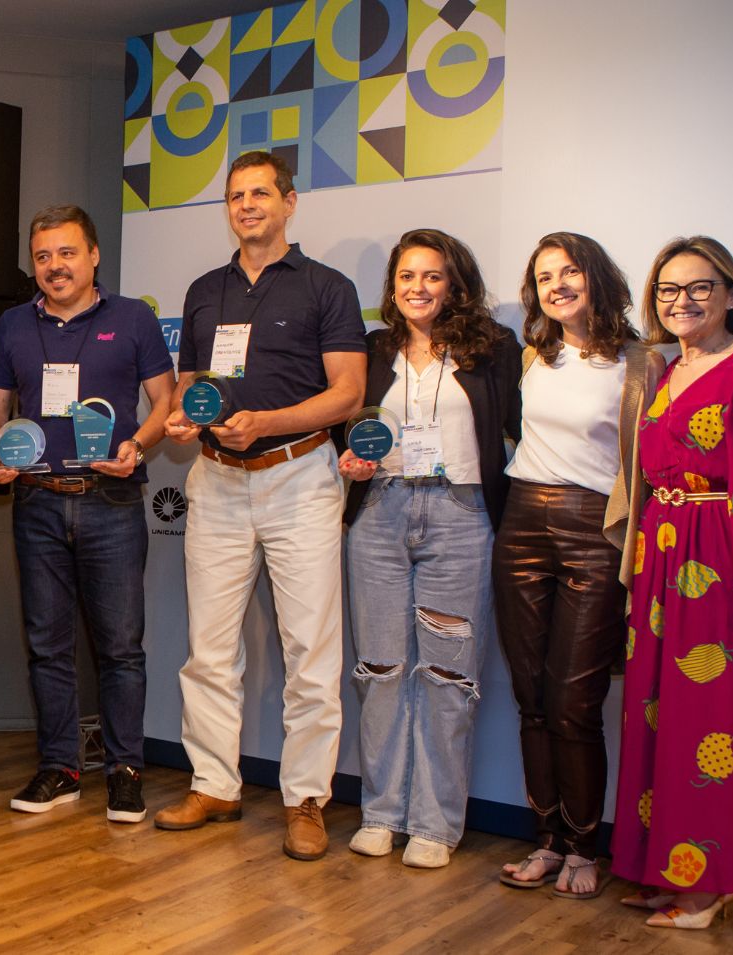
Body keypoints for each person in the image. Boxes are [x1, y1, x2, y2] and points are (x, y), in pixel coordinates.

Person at [155, 151, 364, 861]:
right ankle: (214, 783)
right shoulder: (203, 289)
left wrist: (268, 422)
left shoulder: (326, 287)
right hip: (214, 479)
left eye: (261, 194)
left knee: (309, 651)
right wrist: (185, 418)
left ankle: (305, 798)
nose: (248, 206)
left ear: (290, 202)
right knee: (210, 649)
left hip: (298, 476)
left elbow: (347, 395)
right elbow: (192, 386)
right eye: (236, 196)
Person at [610, 236, 733, 929]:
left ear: (730, 293)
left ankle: (707, 886)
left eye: (699, 287)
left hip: (725, 564)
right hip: (665, 561)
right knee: (661, 714)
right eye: (668, 289)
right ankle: (673, 869)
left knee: (712, 724)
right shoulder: (669, 368)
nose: (682, 301)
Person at [0, 204, 175, 825]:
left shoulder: (134, 318)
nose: (55, 266)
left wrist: (138, 446)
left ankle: (124, 771)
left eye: (67, 253)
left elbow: (166, 401)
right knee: (47, 646)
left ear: (93, 256)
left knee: (121, 648)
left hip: (112, 502)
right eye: (43, 256)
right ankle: (60, 768)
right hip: (37, 502)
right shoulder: (11, 325)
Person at [333, 229, 520, 868]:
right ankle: (382, 814)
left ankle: (436, 824)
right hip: (380, 516)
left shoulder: (494, 349)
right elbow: (349, 433)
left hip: (460, 517)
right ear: (393, 287)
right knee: (380, 672)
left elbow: (520, 432)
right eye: (406, 277)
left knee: (446, 676)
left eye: (432, 276)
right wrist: (351, 461)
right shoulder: (374, 349)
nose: (417, 288)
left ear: (455, 283)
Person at [493, 233, 662, 899]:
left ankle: (587, 848)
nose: (556, 284)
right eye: (543, 275)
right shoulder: (534, 355)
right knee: (531, 697)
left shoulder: (639, 362)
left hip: (596, 531)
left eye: (569, 271)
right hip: (521, 525)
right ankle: (547, 842)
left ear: (595, 277)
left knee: (573, 702)